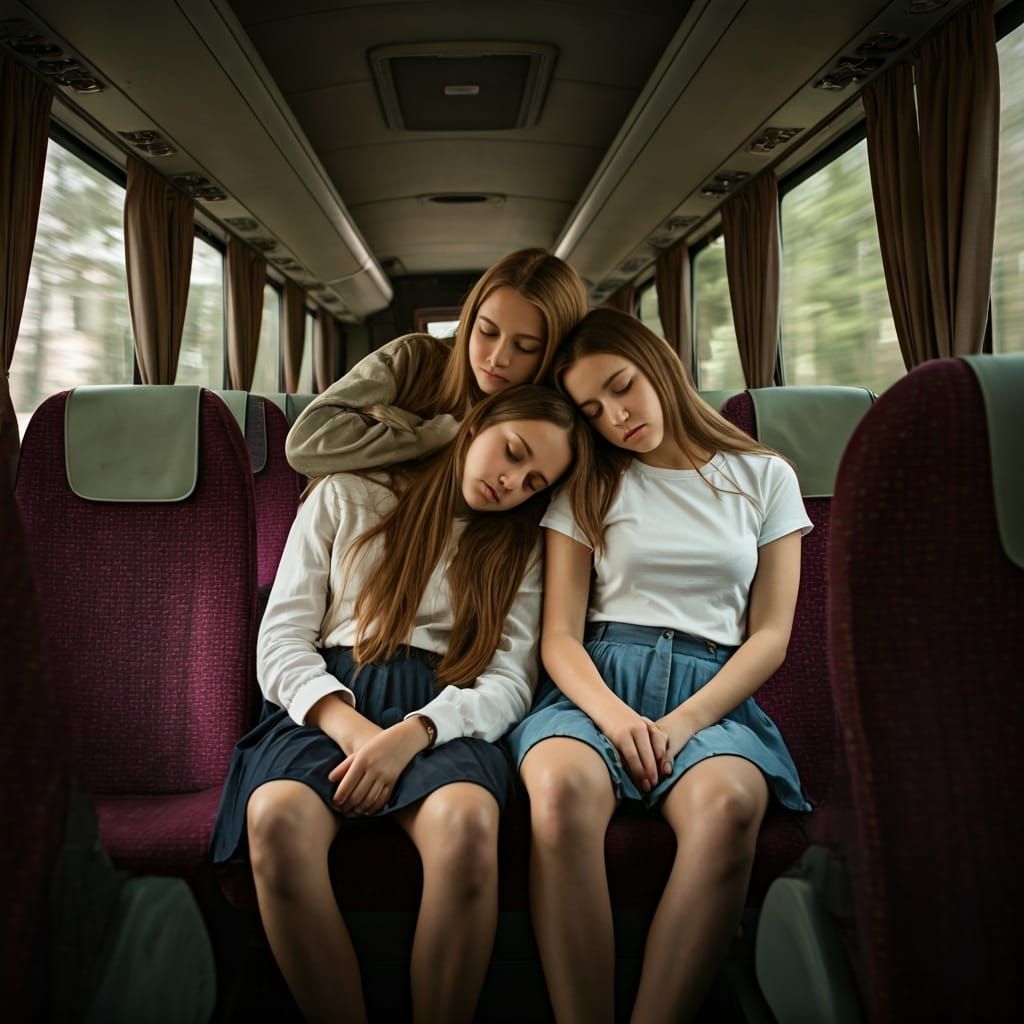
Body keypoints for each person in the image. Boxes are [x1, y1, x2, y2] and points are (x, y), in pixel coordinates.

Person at [212, 384, 594, 1024]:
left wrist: (415, 732)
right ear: (474, 426)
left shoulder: (520, 546)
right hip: (329, 700)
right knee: (275, 819)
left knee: (468, 826)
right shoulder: (346, 493)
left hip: (446, 711)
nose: (512, 482)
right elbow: (281, 637)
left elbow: (508, 681)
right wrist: (353, 729)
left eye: (534, 481)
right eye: (512, 451)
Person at [508, 309, 812, 1024]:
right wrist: (615, 718)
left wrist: (681, 723)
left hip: (713, 692)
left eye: (623, 388)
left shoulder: (764, 477)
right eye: (593, 409)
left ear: (659, 365)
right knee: (557, 794)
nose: (616, 418)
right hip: (595, 685)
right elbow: (558, 637)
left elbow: (770, 635)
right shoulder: (586, 482)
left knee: (730, 806)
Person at [285, 248, 588, 476]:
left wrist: (392, 419)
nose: (498, 358)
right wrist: (430, 436)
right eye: (487, 331)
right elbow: (305, 444)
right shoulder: (415, 358)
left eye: (525, 347)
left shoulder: (554, 426)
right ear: (469, 322)